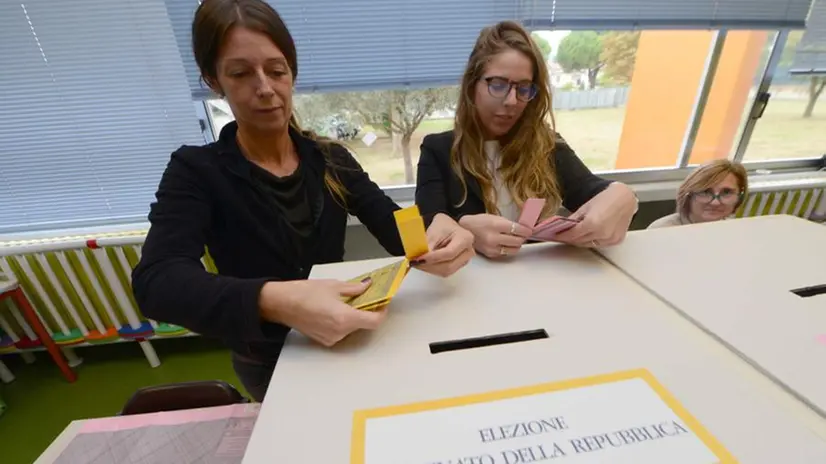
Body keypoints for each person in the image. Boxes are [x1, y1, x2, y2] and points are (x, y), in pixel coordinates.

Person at [131, 0, 474, 402]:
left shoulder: (330, 159)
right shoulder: (196, 171)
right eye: (241, 73)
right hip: (269, 358)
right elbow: (157, 282)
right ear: (213, 80)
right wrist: (275, 300)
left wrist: (440, 230)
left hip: (347, 338)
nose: (265, 88)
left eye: (277, 71)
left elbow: (391, 224)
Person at [415, 21, 638, 259]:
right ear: (472, 86)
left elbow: (591, 190)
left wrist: (623, 195)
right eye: (498, 85)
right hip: (467, 282)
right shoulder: (438, 149)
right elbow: (428, 222)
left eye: (523, 89)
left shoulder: (547, 144)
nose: (512, 101)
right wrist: (463, 227)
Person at [648, 159, 748, 229]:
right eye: (705, 192)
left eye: (726, 192)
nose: (715, 202)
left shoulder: (736, 230)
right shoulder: (661, 230)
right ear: (688, 195)